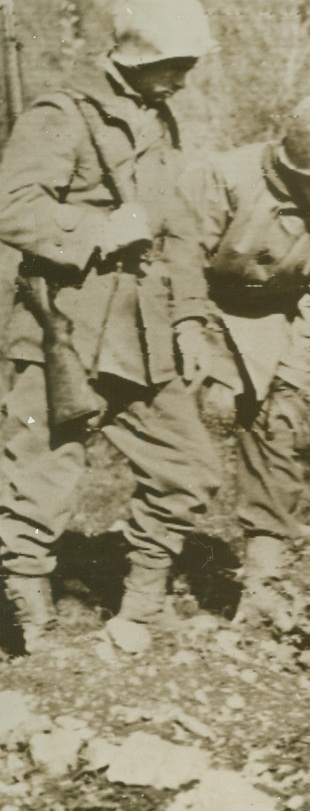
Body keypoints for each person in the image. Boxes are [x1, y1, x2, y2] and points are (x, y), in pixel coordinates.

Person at [0, 0, 219, 653]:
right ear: (137, 58)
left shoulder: (160, 119)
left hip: (144, 333)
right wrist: (98, 231)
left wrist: (189, 321)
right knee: (43, 478)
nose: (182, 77)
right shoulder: (61, 115)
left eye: (188, 65)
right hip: (64, 323)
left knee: (189, 469)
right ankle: (28, 612)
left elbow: (178, 232)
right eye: (173, 65)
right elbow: (12, 207)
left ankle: (142, 606)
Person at [170, 92, 310, 625]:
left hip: (266, 315)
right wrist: (200, 341)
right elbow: (180, 258)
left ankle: (263, 580)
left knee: (278, 428)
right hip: (191, 303)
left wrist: (289, 383)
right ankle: (148, 567)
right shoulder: (221, 176)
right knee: (175, 431)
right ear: (292, 165)